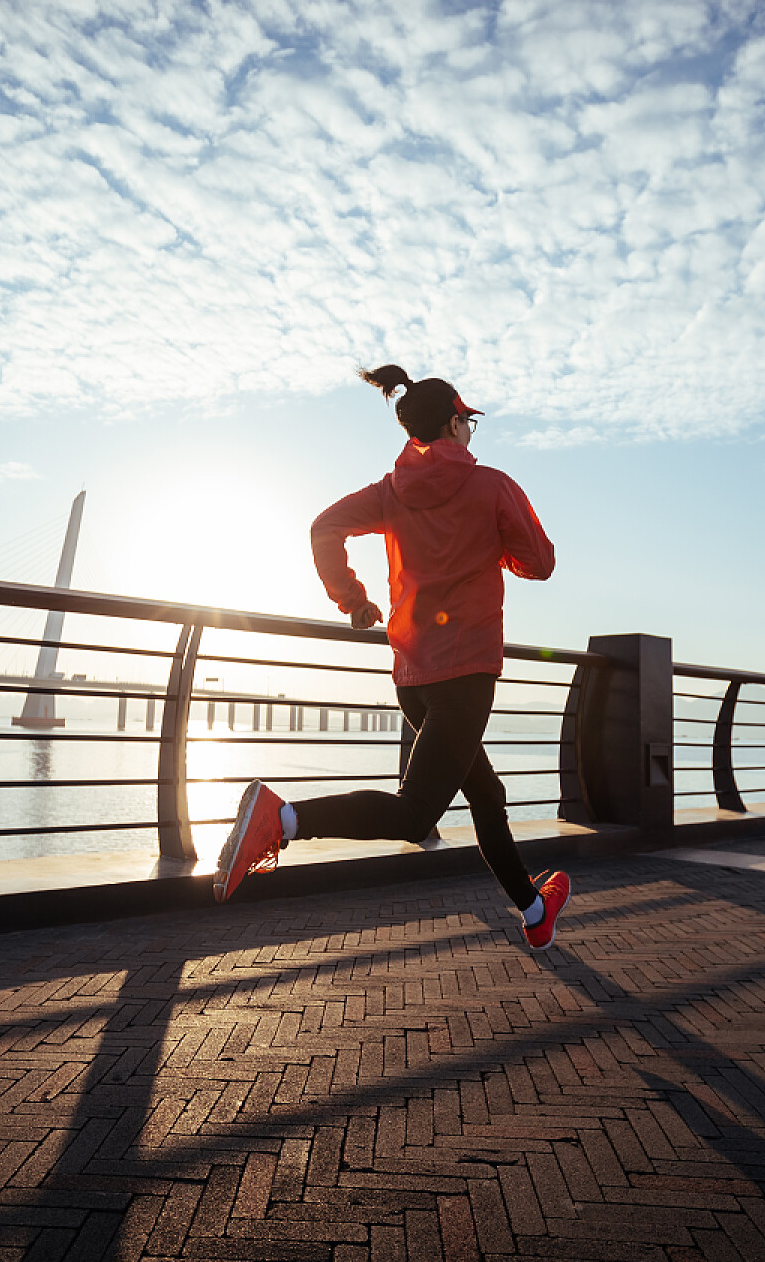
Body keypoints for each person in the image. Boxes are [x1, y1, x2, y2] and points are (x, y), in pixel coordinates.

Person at [213, 364, 572, 949]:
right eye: (469, 422)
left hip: (412, 675)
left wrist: (353, 600)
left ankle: (534, 912)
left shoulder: (390, 492)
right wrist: (494, 546)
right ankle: (280, 819)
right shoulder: (493, 486)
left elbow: (323, 527)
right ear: (455, 423)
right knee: (413, 814)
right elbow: (541, 562)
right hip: (467, 673)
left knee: (487, 793)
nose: (471, 432)